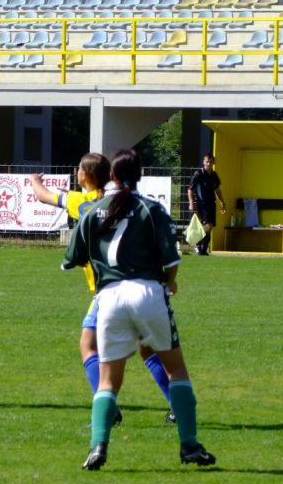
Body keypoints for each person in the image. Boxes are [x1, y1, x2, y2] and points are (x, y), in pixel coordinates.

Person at [64, 149, 216, 471]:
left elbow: (71, 258)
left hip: (108, 298)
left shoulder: (93, 210)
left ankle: (98, 446)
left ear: (112, 177)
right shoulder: (152, 209)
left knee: (108, 382)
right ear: (141, 174)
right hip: (148, 292)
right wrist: (169, 283)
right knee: (176, 369)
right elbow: (171, 261)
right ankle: (189, 445)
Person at [30, 154, 175, 424]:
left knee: (88, 346)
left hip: (109, 291)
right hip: (144, 287)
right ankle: (176, 405)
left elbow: (43, 196)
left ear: (85, 175)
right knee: (147, 349)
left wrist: (33, 180)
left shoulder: (82, 202)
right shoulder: (119, 201)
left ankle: (107, 410)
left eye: (78, 169)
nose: (76, 172)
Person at [187, 153, 226, 256]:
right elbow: (190, 190)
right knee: (205, 225)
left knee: (210, 226)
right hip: (200, 203)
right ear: (203, 162)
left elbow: (217, 190)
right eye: (207, 161)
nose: (209, 163)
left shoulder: (214, 175)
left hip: (211, 203)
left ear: (214, 162)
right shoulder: (198, 174)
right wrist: (191, 204)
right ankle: (200, 247)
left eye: (211, 161)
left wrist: (222, 202)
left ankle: (202, 249)